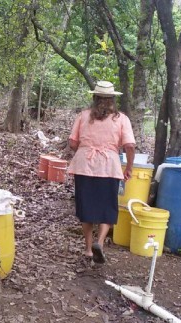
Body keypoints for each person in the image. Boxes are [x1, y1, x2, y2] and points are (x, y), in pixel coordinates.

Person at [67, 80, 135, 264]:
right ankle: (100, 243)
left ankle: (89, 249)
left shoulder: (83, 116)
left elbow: (73, 143)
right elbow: (129, 145)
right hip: (109, 167)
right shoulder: (121, 119)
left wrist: (85, 150)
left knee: (86, 207)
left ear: (94, 98)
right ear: (112, 99)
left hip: (84, 166)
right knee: (107, 208)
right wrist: (129, 167)